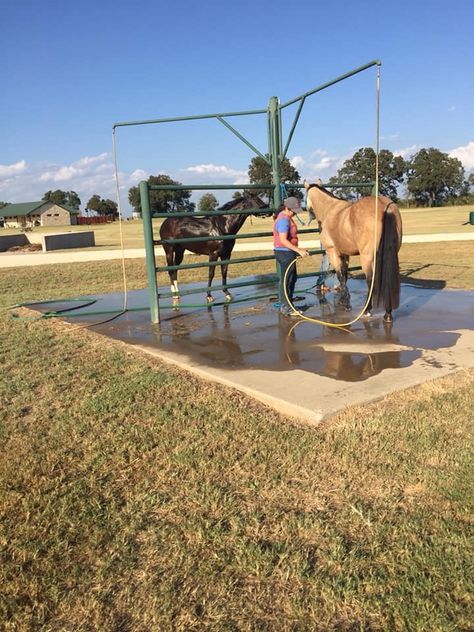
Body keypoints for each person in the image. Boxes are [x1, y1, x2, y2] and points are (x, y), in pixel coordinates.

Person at [273, 197, 310, 317]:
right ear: (287, 208)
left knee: (291, 278)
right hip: (284, 253)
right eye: (293, 210)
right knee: (287, 280)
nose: (295, 213)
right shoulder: (283, 220)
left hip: (288, 252)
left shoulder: (287, 217)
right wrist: (298, 250)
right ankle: (286, 307)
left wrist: (298, 250)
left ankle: (288, 304)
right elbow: (283, 240)